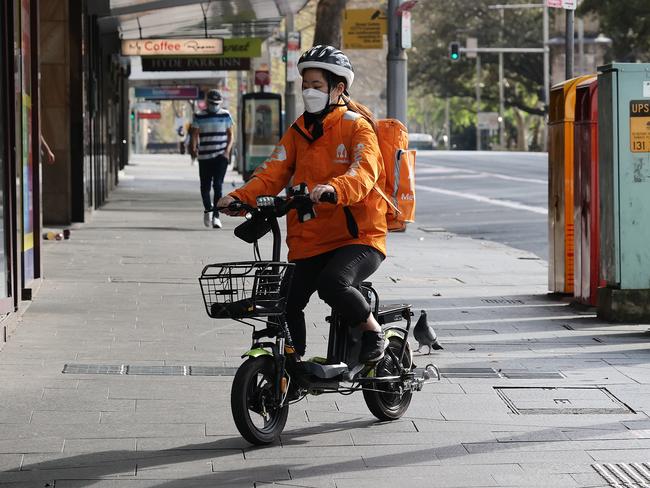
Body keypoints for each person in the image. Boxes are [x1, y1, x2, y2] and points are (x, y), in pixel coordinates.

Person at [218, 45, 388, 364]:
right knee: (284, 302)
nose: (309, 91)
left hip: (358, 238)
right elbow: (272, 171)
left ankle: (372, 331)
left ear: (339, 88)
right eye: (306, 85)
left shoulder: (357, 126)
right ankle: (291, 366)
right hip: (311, 240)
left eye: (317, 86)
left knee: (332, 283)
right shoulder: (299, 131)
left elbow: (364, 171)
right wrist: (239, 197)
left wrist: (334, 189)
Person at [190, 89, 233, 229]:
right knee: (205, 187)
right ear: (207, 103)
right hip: (204, 157)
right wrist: (194, 148)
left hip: (221, 156)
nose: (214, 105)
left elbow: (230, 135)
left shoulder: (225, 115)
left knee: (218, 186)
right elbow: (195, 135)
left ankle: (216, 216)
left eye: (216, 103)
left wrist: (227, 151)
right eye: (212, 103)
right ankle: (208, 209)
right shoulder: (198, 116)